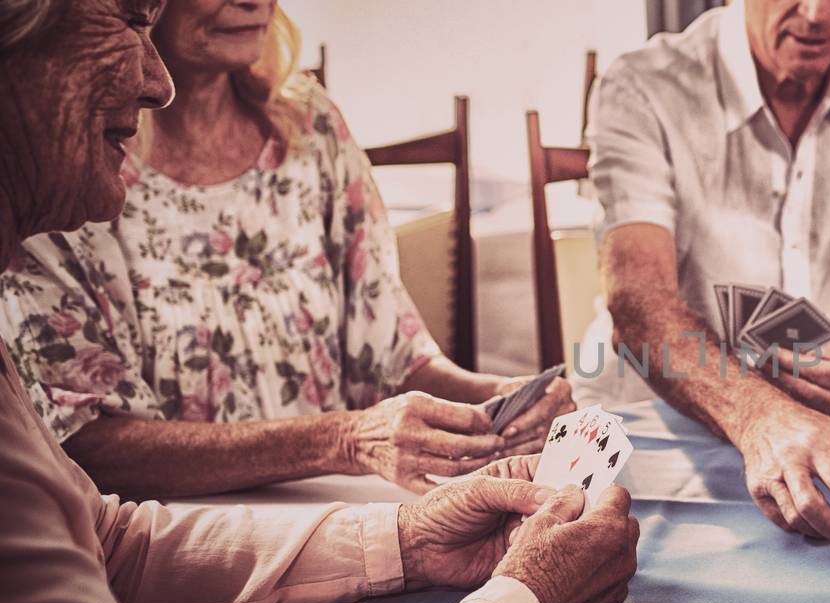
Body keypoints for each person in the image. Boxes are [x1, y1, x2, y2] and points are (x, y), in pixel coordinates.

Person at [0, 1, 639, 603]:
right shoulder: (81, 188)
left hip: (316, 538)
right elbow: (95, 453)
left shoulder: (310, 122)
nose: (157, 81)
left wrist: (412, 535)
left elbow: (112, 543)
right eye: (130, 17)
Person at [0, 0, 574, 498]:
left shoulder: (311, 124)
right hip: (176, 548)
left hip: (342, 516)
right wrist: (341, 441)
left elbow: (396, 360)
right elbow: (83, 442)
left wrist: (499, 401)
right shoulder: (70, 167)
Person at [585, 0, 830, 544]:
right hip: (660, 417)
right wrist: (758, 414)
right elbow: (637, 300)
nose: (816, 14)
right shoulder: (639, 84)